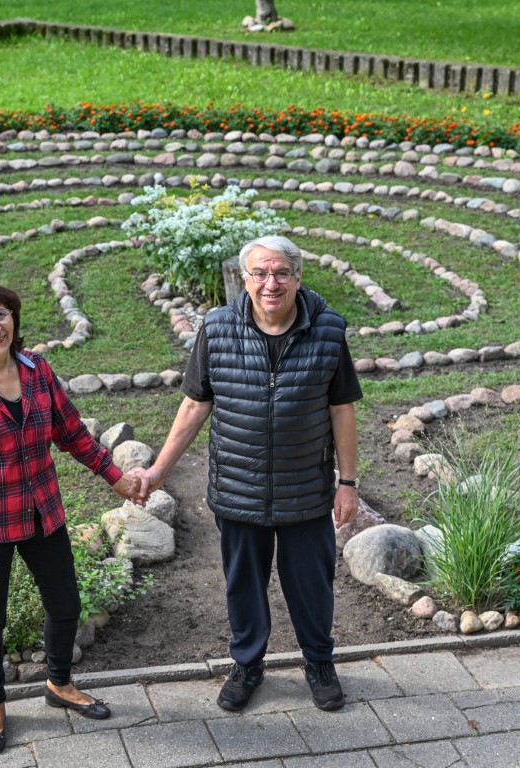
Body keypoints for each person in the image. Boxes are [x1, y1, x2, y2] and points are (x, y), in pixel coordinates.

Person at [137, 234, 362, 712]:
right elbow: (196, 403)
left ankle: (319, 662)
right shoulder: (217, 329)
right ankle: (247, 664)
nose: (270, 283)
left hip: (306, 489)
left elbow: (342, 408)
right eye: (259, 273)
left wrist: (347, 482)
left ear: (299, 278)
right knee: (243, 583)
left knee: (313, 585)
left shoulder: (328, 331)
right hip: (239, 489)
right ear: (244, 279)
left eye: (281, 272)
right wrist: (159, 469)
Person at [0, 280, 142, 754]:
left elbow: (72, 434)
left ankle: (59, 685)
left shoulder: (38, 370)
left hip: (42, 512)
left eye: (1, 315)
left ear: (14, 318)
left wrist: (116, 477)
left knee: (65, 604)